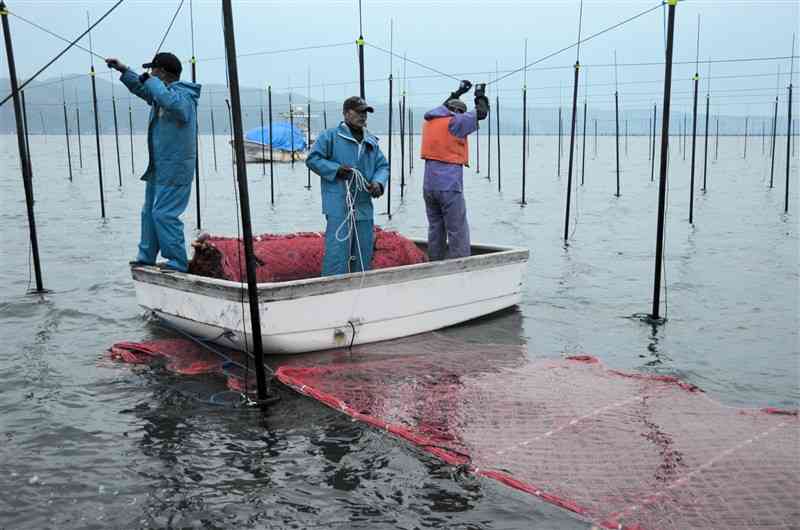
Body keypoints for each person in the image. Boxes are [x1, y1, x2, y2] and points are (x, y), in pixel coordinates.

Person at [106, 52, 201, 272]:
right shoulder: (161, 94)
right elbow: (143, 89)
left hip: (176, 169)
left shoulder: (184, 96)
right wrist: (124, 71)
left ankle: (177, 261)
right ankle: (146, 257)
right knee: (149, 212)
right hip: (158, 167)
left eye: (153, 70)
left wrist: (152, 83)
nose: (149, 73)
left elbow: (174, 106)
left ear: (162, 73)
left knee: (164, 214)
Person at [306, 96, 389, 276]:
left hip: (363, 205)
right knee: (337, 252)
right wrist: (335, 169)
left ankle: (362, 290)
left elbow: (382, 166)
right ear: (346, 113)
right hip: (338, 204)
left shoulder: (371, 141)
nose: (363, 116)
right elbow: (313, 159)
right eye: (359, 112)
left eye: (365, 113)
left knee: (363, 251)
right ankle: (332, 290)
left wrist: (379, 183)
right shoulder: (330, 136)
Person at [420, 80, 489, 260]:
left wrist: (459, 91)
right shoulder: (455, 123)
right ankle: (460, 270)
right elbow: (481, 113)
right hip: (449, 186)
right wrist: (479, 94)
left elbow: (443, 106)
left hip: (429, 187)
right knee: (457, 230)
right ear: (457, 112)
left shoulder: (431, 120)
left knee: (435, 229)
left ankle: (435, 264)